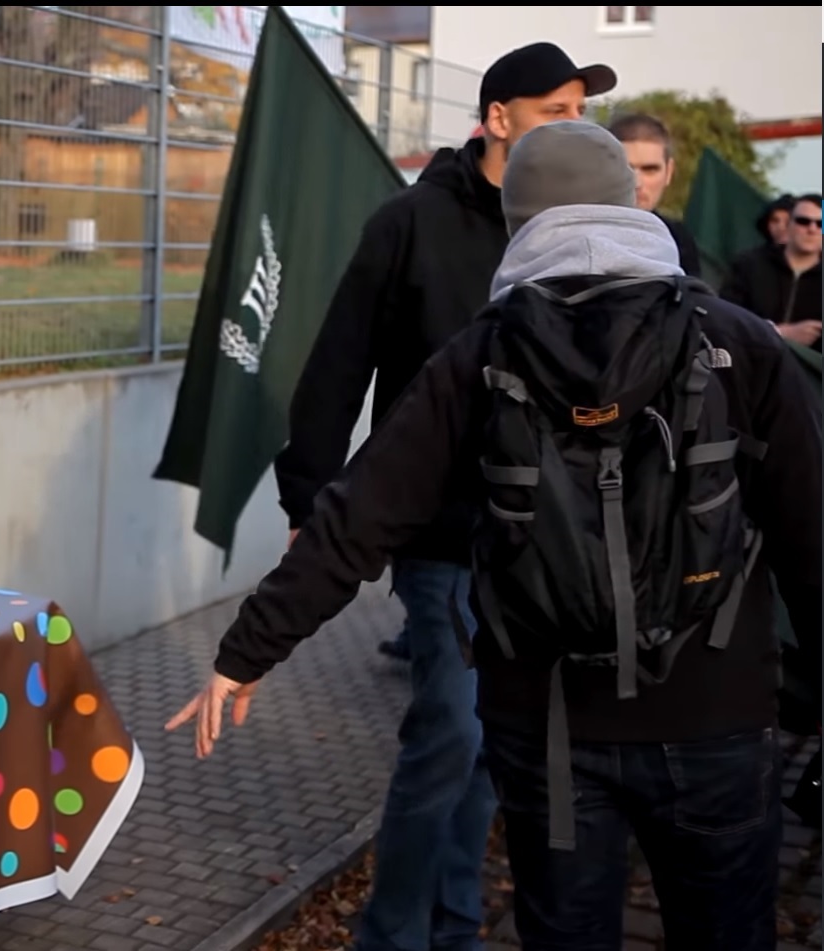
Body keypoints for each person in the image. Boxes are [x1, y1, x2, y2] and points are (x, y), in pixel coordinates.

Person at [168, 120, 823, 951]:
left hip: (546, 723)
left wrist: (246, 651)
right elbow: (809, 530)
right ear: (630, 204)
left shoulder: (481, 351)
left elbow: (362, 512)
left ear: (517, 221)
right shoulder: (737, 341)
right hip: (715, 710)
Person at [268, 41, 617, 951]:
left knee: (493, 746)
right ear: (497, 119)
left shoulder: (575, 232)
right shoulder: (409, 223)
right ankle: (391, 934)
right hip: (441, 533)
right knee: (451, 733)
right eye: (554, 111)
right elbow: (339, 362)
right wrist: (310, 500)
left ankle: (453, 925)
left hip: (545, 542)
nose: (574, 127)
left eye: (581, 112)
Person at [720, 192, 823, 350]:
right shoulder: (749, 265)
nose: (812, 229)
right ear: (789, 225)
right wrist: (777, 332)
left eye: (820, 224)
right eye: (803, 221)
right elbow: (725, 319)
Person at [605, 112, 703, 276]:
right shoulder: (576, 235)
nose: (637, 182)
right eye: (625, 168)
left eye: (650, 169)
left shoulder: (680, 240)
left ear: (669, 172)